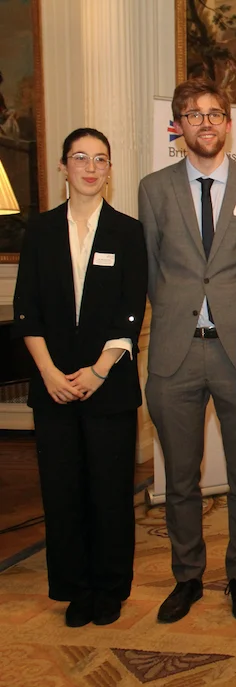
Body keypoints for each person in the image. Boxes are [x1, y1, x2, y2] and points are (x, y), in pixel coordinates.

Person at [138, 78, 236, 624]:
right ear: (178, 126)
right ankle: (188, 576)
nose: (205, 123)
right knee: (180, 478)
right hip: (174, 353)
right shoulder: (153, 189)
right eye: (193, 115)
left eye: (214, 113)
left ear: (228, 122)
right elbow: (153, 271)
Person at [12, 128, 147, 628]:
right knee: (62, 491)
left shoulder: (128, 232)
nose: (91, 168)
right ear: (63, 166)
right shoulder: (40, 230)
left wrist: (97, 371)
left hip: (108, 384)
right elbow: (26, 310)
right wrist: (49, 373)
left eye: (100, 159)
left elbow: (131, 311)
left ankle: (109, 588)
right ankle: (75, 589)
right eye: (81, 158)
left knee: (110, 492)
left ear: (110, 170)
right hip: (52, 387)